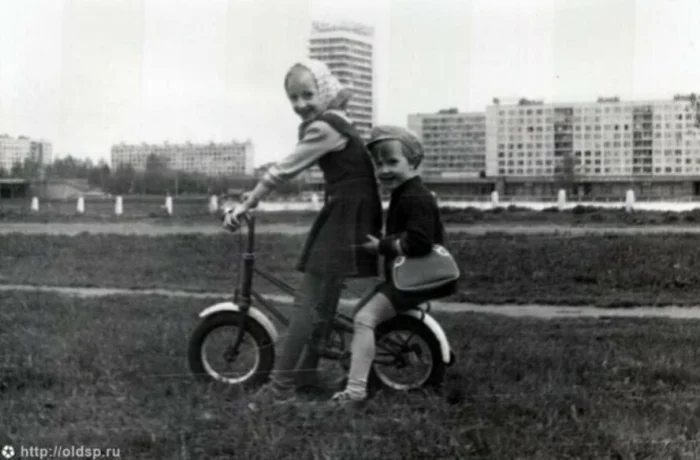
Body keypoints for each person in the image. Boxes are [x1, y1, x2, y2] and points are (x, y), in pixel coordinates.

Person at [223, 59, 382, 407]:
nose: (300, 104)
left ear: (324, 91)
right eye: (293, 98)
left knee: (304, 304)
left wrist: (247, 203)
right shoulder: (338, 122)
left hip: (344, 216)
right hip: (353, 214)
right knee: (323, 301)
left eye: (308, 95)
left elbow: (283, 170)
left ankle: (280, 388)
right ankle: (306, 373)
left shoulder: (324, 127)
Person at [330, 125, 458, 405]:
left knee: (365, 319)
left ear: (413, 162)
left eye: (392, 162)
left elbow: (420, 242)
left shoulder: (415, 196)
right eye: (379, 164)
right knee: (361, 312)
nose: (384, 170)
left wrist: (382, 246)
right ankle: (360, 369)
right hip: (406, 277)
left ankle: (355, 392)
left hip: (415, 280)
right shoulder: (405, 192)